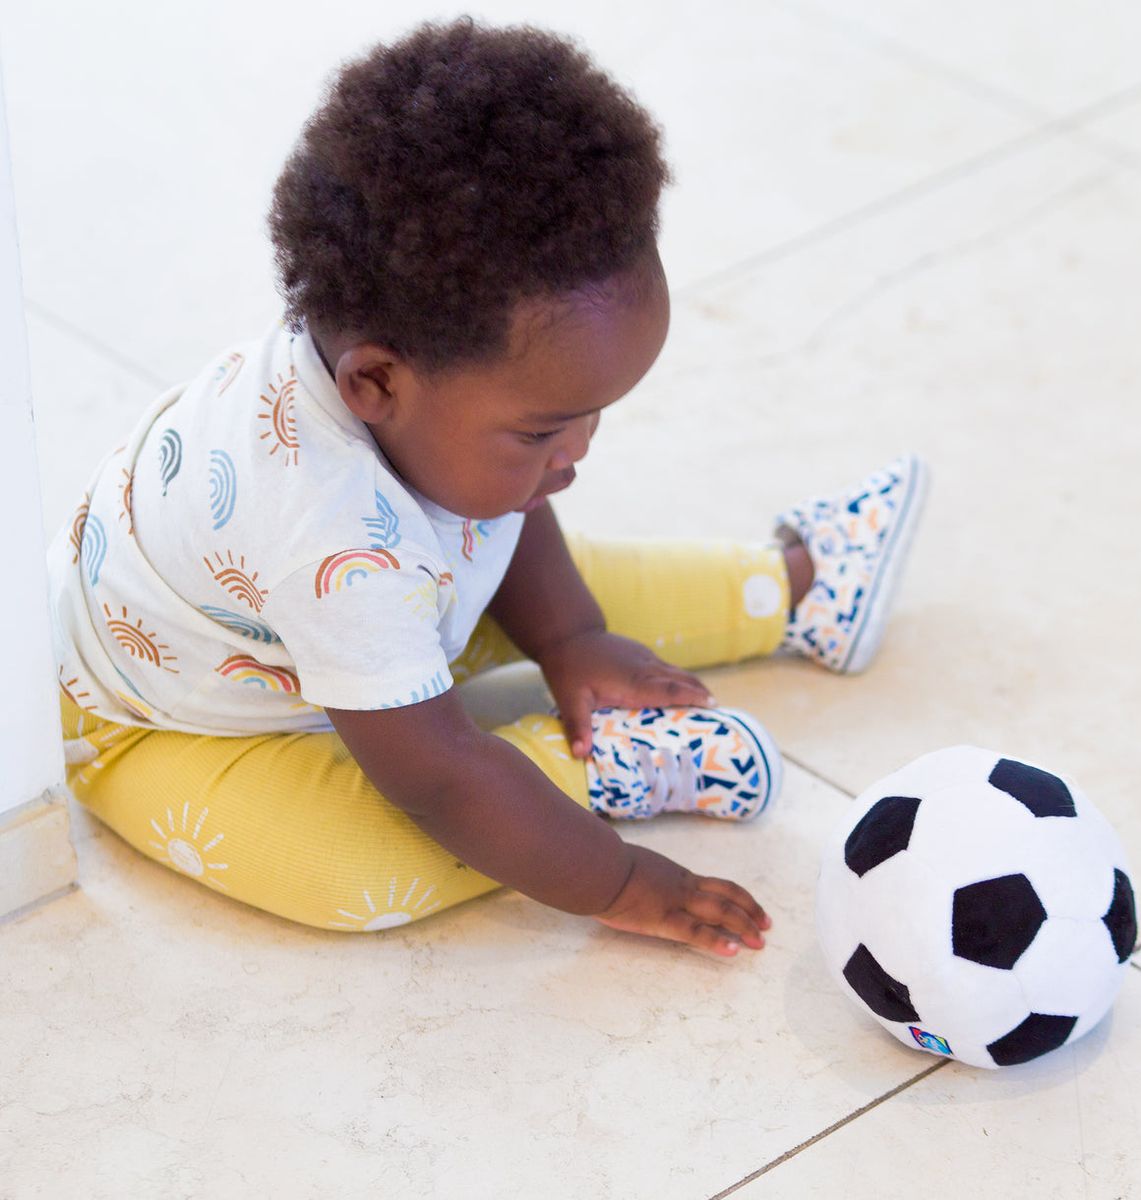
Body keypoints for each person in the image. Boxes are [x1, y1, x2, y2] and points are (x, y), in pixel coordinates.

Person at [48, 18, 927, 957]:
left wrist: (574, 639)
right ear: (374, 385)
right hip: (165, 724)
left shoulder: (409, 373)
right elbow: (442, 778)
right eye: (546, 429)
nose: (576, 454)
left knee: (565, 580)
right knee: (355, 872)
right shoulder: (328, 539)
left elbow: (512, 521)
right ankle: (595, 769)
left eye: (594, 414)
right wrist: (618, 877)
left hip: (358, 618)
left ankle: (799, 586)